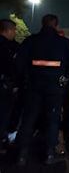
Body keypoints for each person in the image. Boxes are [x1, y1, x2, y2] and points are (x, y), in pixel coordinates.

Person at [15, 14, 69, 165]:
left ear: (42, 24)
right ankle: (49, 154)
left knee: (29, 118)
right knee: (52, 120)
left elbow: (19, 64)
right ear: (56, 26)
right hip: (54, 89)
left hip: (33, 87)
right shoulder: (65, 43)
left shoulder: (30, 41)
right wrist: (65, 80)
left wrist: (23, 82)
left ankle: (21, 155)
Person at [0, 19, 18, 154]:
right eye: (14, 30)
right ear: (8, 30)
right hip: (4, 85)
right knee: (4, 114)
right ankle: (3, 141)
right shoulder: (9, 47)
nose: (15, 33)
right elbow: (12, 67)